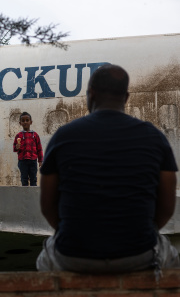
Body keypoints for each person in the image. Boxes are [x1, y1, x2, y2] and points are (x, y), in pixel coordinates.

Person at [37, 64, 180, 275]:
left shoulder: (63, 136)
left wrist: (76, 237)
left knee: (44, 260)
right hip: (139, 255)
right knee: (172, 257)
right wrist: (139, 236)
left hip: (73, 256)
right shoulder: (154, 137)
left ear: (91, 93)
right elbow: (167, 206)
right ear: (127, 96)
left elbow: (48, 205)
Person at [13, 112, 43, 186]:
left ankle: (32, 196)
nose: (25, 122)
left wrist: (40, 160)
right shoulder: (18, 135)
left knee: (33, 179)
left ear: (31, 122)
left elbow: (39, 148)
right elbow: (14, 148)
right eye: (23, 121)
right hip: (22, 161)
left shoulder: (35, 135)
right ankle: (25, 196)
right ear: (20, 123)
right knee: (24, 179)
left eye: (27, 120)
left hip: (33, 161)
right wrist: (17, 147)